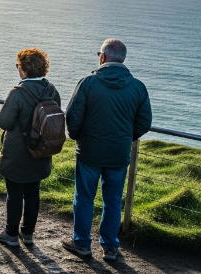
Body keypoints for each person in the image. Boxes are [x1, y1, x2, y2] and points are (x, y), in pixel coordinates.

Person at [61, 39, 152, 261]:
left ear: (102, 57)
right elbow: (144, 122)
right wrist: (126, 138)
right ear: (122, 59)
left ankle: (81, 243)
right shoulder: (138, 87)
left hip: (89, 151)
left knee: (84, 198)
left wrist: (77, 136)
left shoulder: (88, 83)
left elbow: (73, 116)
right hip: (119, 154)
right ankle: (110, 247)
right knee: (113, 201)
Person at [0, 48, 59, 247]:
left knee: (14, 195)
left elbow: (4, 122)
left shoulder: (18, 93)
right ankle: (28, 233)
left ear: (23, 69)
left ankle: (11, 234)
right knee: (33, 193)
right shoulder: (52, 90)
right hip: (40, 151)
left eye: (18, 66)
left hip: (17, 153)